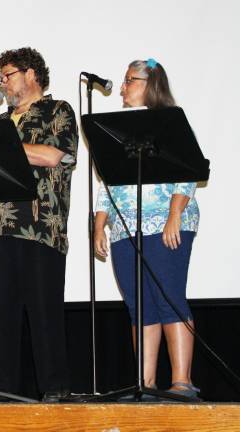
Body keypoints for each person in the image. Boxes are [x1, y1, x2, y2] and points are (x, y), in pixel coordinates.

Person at [94, 59, 200, 399]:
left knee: (169, 299)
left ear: (151, 83)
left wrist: (174, 214)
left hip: (166, 223)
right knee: (139, 307)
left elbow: (189, 170)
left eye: (130, 80)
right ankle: (146, 384)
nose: (123, 87)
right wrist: (99, 226)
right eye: (124, 81)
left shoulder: (171, 122)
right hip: (126, 229)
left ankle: (182, 382)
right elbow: (106, 183)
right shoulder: (114, 129)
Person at [0, 47, 78, 402]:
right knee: (1, 313)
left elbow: (53, 156)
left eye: (8, 75)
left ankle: (55, 388)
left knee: (44, 310)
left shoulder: (58, 111)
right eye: (1, 77)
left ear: (31, 74)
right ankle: (0, 389)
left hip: (41, 227)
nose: (2, 83)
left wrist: (3, 147)